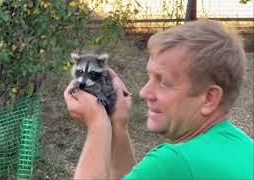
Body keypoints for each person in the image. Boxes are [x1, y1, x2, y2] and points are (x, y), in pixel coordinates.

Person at [64, 19, 253, 180]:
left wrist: (98, 125)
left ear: (209, 98)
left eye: (163, 82)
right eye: (150, 77)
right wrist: (117, 126)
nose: (144, 92)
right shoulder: (244, 148)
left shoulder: (175, 162)